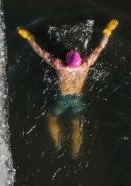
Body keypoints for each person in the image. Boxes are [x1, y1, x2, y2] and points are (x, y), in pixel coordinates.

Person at [17, 19, 119, 157]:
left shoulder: (60, 66)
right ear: (80, 60)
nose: (72, 50)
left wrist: (29, 38)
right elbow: (99, 48)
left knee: (52, 117)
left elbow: (40, 52)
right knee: (76, 123)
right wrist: (107, 32)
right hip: (77, 98)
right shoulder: (86, 64)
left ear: (66, 59)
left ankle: (57, 144)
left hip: (62, 98)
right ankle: (75, 151)